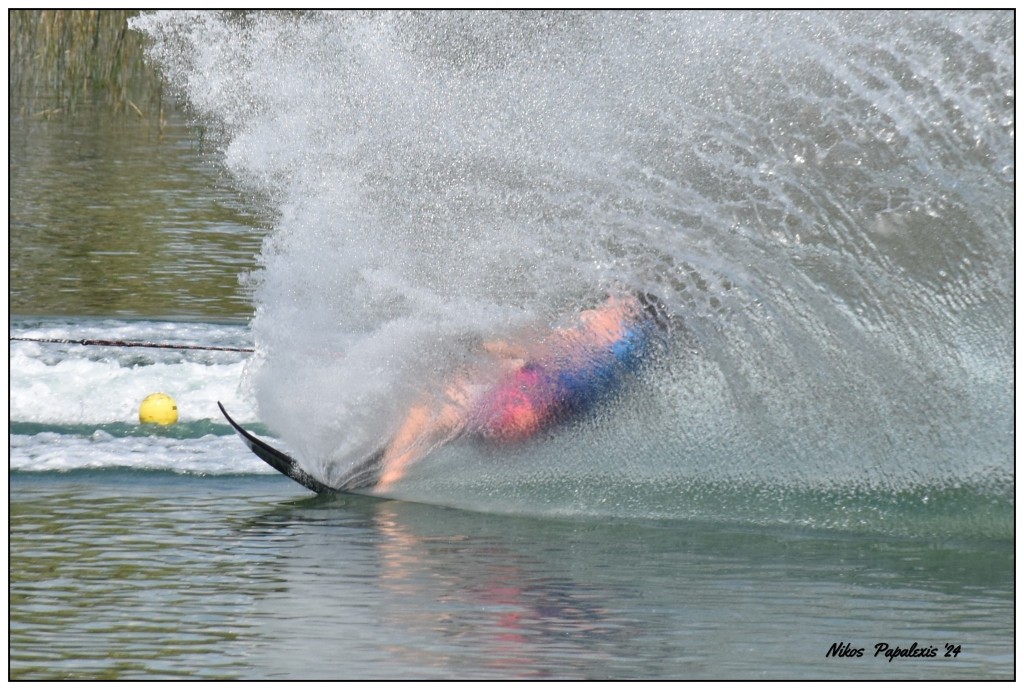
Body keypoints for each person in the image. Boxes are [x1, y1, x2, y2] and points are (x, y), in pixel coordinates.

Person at [373, 291, 669, 491]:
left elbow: (538, 351)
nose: (596, 309)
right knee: (452, 420)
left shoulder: (597, 338)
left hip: (519, 409)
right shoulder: (627, 357)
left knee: (426, 406)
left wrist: (477, 344)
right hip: (536, 424)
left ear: (628, 314)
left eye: (610, 305)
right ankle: (383, 466)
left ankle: (387, 485)